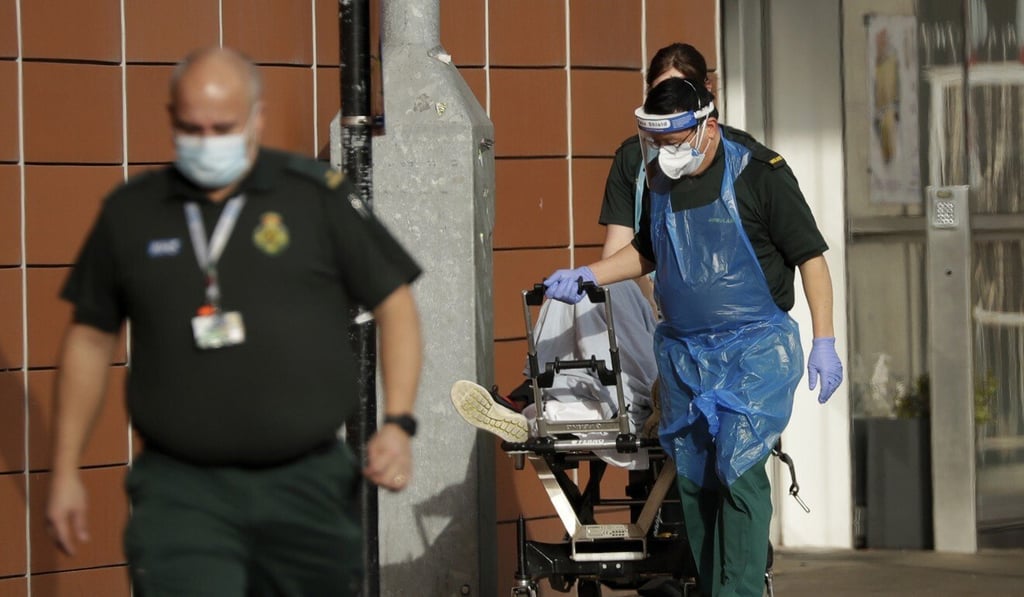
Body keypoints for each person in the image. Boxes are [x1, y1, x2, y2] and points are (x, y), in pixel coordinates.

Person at [45, 47, 423, 596]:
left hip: (306, 484)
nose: (206, 139)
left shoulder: (314, 199)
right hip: (183, 492)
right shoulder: (133, 213)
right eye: (190, 126)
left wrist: (399, 422)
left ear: (257, 117)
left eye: (222, 126)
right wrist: (64, 469)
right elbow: (88, 337)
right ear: (170, 117)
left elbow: (395, 303)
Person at [544, 78, 844, 597]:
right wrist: (589, 274)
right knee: (696, 480)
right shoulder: (659, 183)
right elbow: (647, 250)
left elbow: (811, 260)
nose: (667, 153)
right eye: (658, 144)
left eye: (676, 140)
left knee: (740, 470)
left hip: (752, 350)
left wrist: (824, 340)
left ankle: (742, 591)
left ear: (707, 125)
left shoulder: (760, 176)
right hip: (684, 355)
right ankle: (711, 589)